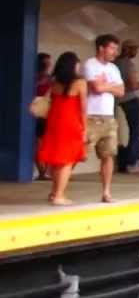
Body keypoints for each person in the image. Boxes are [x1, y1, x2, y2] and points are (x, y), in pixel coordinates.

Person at [36, 52, 87, 205]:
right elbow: (83, 109)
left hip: (54, 122)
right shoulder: (80, 83)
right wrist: (84, 129)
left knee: (57, 159)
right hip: (71, 123)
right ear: (73, 66)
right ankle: (59, 195)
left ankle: (54, 192)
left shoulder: (54, 82)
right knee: (67, 161)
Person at [83, 34, 125, 203]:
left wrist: (105, 86)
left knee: (108, 155)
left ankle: (106, 192)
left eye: (116, 48)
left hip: (108, 117)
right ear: (101, 48)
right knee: (79, 154)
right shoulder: (90, 64)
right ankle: (58, 189)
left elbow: (121, 91)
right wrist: (110, 86)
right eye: (112, 48)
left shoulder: (114, 68)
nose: (115, 52)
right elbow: (96, 88)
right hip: (91, 116)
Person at [115, 39, 139, 172]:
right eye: (134, 49)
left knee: (137, 129)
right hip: (132, 99)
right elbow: (133, 85)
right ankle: (132, 161)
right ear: (126, 49)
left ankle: (129, 157)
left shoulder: (114, 63)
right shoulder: (128, 64)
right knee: (136, 131)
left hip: (119, 100)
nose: (136, 52)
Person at [34, 52, 53, 180]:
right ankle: (43, 171)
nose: (48, 65)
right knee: (39, 143)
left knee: (44, 142)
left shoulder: (50, 79)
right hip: (39, 111)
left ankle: (44, 171)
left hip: (46, 112)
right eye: (46, 62)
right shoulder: (36, 77)